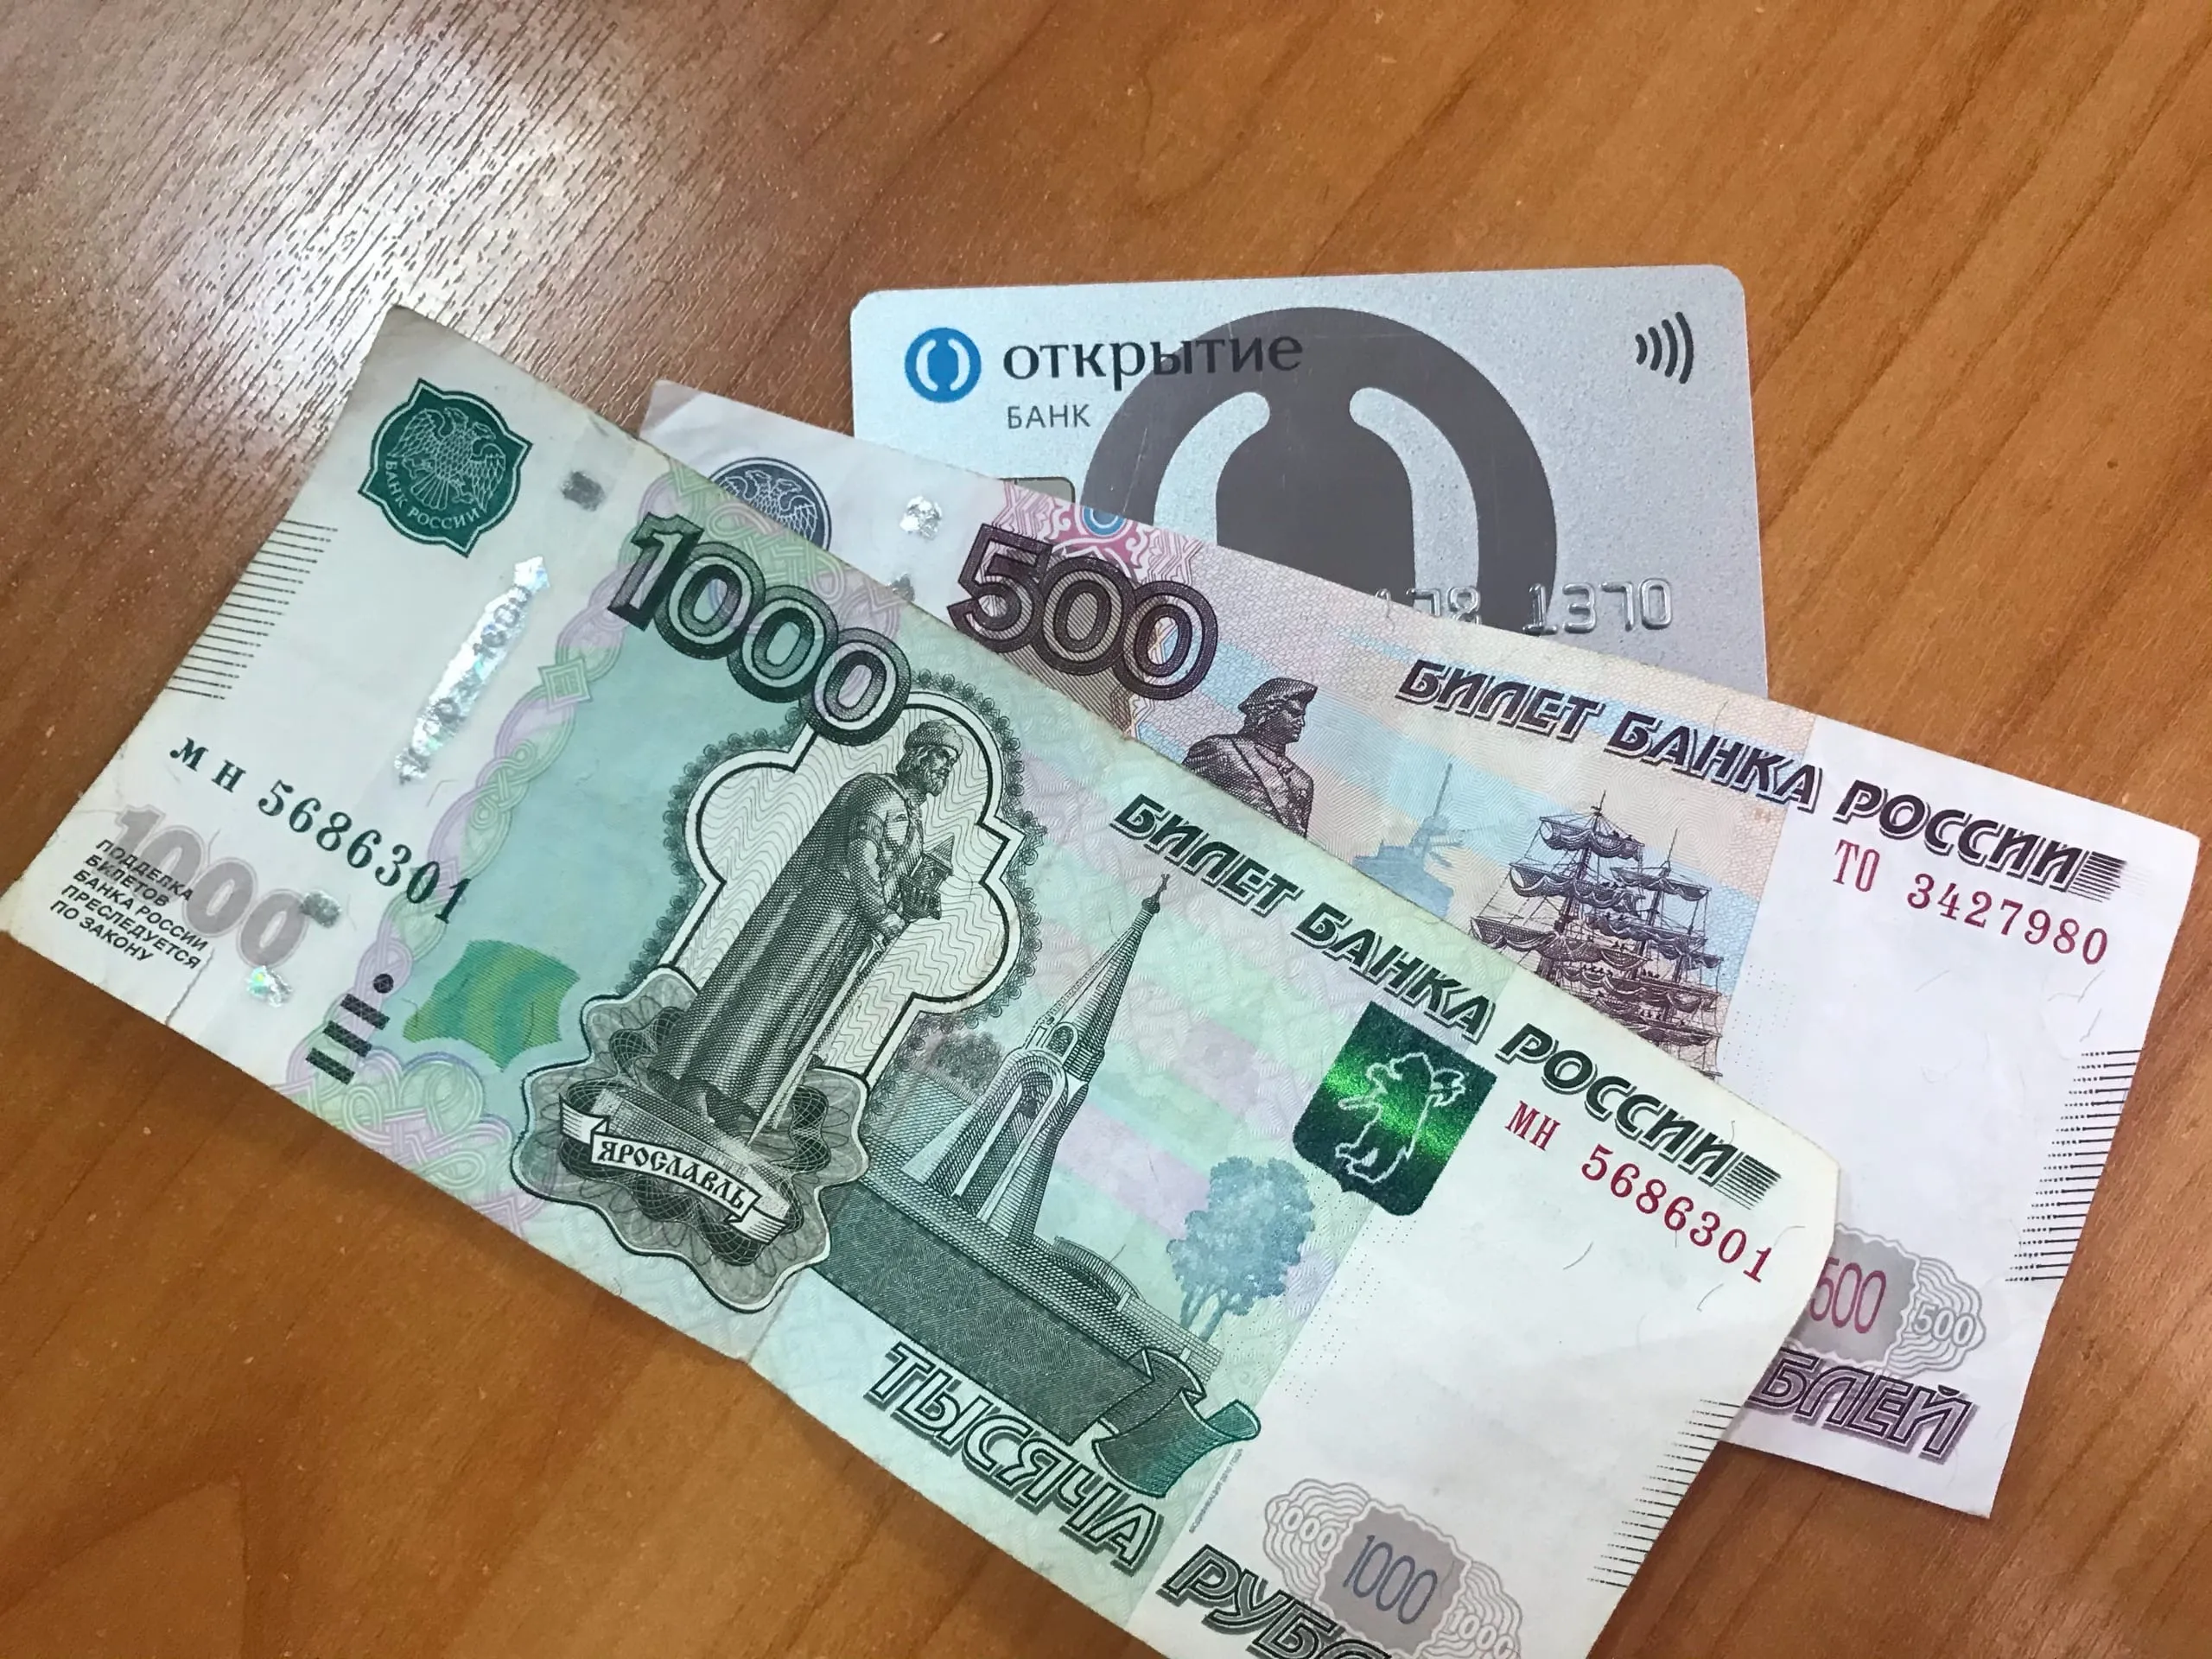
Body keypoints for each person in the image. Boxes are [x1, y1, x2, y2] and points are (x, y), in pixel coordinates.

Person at [653, 719, 963, 1135]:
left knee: (799, 1014)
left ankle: (736, 1099)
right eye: (942, 756)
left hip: (852, 932)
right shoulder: (877, 792)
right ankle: (695, 1085)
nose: (946, 768)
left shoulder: (914, 820)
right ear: (918, 753)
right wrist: (881, 913)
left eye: (952, 762)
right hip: (820, 912)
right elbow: (860, 857)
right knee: (767, 996)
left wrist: (910, 907)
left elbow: (895, 878)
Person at [1180, 677, 1317, 836]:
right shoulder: (1221, 749)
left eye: (1302, 716)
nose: (1301, 723)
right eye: (1294, 713)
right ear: (1268, 712)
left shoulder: (1303, 782)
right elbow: (1174, 797)